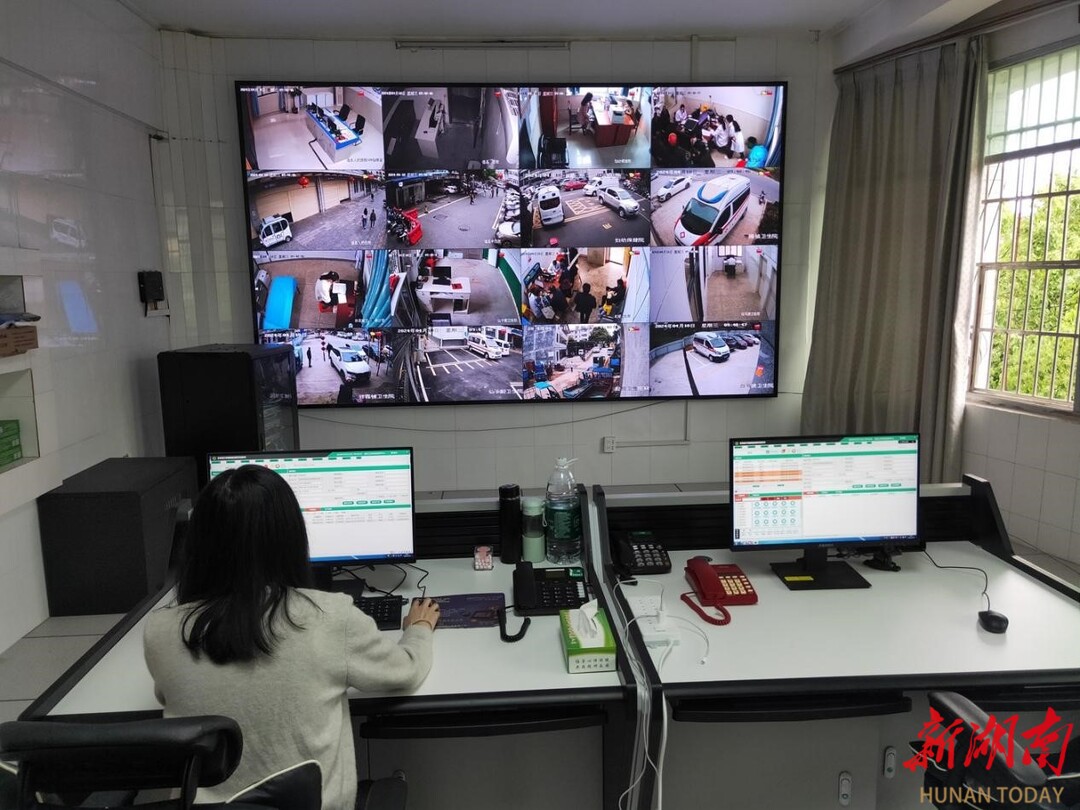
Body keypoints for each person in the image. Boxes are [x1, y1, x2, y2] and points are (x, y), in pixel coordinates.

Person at [144, 466, 439, 810]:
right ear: (289, 538)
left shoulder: (161, 631)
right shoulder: (329, 617)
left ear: (198, 542)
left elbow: (168, 694)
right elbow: (405, 671)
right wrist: (419, 628)